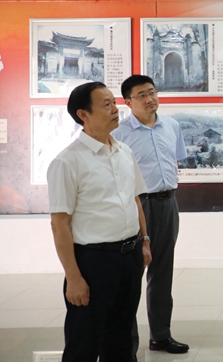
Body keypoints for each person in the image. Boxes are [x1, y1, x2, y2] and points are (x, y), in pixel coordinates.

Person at [48, 82, 152, 361]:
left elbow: (135, 199)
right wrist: (73, 277)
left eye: (114, 103)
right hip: (94, 262)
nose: (115, 109)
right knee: (84, 341)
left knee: (122, 340)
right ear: (84, 114)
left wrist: (144, 241)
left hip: (130, 258)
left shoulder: (124, 152)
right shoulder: (67, 162)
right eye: (106, 105)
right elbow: (59, 224)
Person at [112, 75, 190, 355]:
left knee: (163, 272)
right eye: (142, 95)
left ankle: (160, 335)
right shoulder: (119, 133)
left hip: (168, 203)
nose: (150, 99)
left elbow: (174, 160)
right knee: (132, 274)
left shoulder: (172, 126)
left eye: (152, 92)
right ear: (128, 102)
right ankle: (125, 343)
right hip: (136, 206)